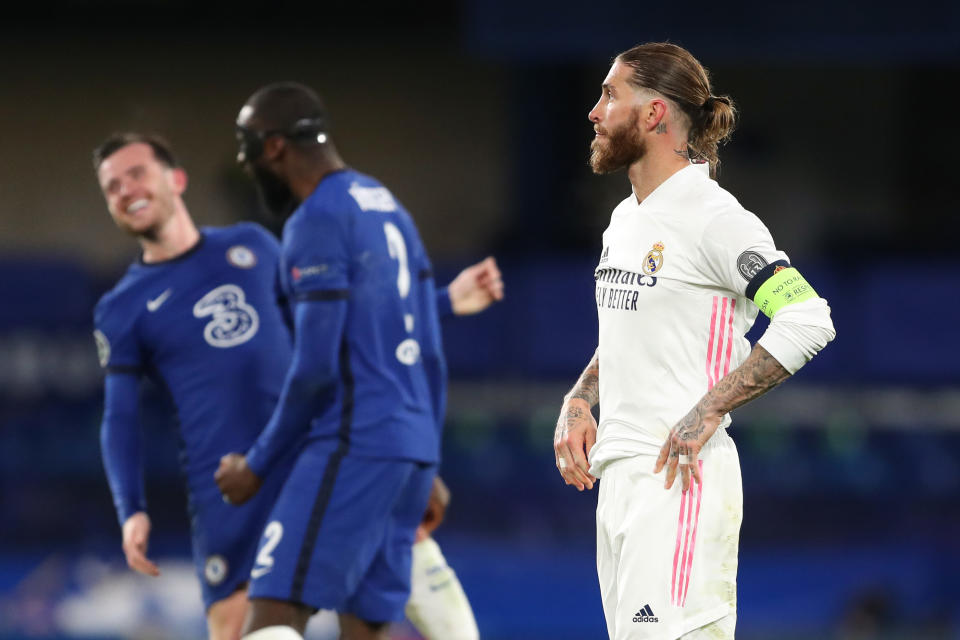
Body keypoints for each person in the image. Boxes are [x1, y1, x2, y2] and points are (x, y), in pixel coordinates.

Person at [93, 132, 496, 640]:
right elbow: (120, 418)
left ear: (175, 179)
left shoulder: (253, 246)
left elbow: (337, 319)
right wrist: (131, 510)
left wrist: (442, 302)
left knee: (386, 583)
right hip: (228, 490)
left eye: (136, 174)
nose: (125, 189)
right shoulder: (121, 308)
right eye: (111, 186)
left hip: (314, 453)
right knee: (238, 628)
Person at [553, 42, 836, 640]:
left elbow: (808, 317)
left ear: (654, 114)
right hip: (622, 479)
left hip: (678, 482)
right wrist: (580, 399)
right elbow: (634, 333)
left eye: (610, 95)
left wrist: (708, 410)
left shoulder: (714, 218)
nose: (594, 111)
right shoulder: (627, 219)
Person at [213, 82, 474, 640]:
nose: (245, 163)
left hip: (355, 443)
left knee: (273, 613)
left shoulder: (317, 220)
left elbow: (314, 369)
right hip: (403, 448)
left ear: (275, 147)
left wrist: (255, 466)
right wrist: (421, 454)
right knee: (366, 627)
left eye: (247, 149)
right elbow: (424, 346)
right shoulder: (387, 207)